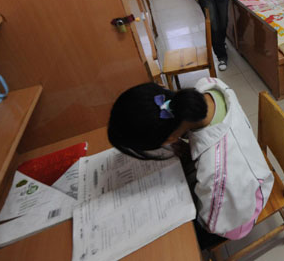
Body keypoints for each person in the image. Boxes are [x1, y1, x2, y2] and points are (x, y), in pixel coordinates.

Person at [107, 79, 274, 245]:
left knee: (185, 238)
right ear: (161, 87)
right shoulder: (209, 84)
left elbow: (213, 224)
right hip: (247, 167)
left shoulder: (216, 174)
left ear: (171, 139)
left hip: (245, 208)